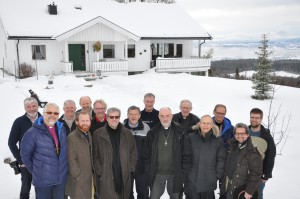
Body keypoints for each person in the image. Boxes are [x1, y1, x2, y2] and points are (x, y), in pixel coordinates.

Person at [21, 103, 68, 199]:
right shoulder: (32, 133)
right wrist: (37, 172)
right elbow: (25, 156)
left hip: (60, 180)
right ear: (43, 113)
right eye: (49, 112)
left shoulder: (62, 129)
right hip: (43, 182)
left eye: (56, 113)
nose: (52, 115)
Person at [143, 107, 189, 199]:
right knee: (153, 197)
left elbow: (186, 154)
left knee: (175, 197)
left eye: (167, 116)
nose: (165, 118)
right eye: (162, 116)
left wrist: (183, 172)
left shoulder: (180, 132)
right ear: (158, 117)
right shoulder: (152, 133)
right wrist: (149, 170)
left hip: (175, 174)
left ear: (171, 116)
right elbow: (146, 155)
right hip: (157, 174)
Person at [93, 107, 137, 199]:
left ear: (119, 118)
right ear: (107, 118)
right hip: (106, 175)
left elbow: (133, 152)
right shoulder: (98, 134)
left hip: (123, 174)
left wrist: (130, 168)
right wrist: (100, 171)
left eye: (116, 117)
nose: (114, 119)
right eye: (111, 117)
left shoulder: (127, 133)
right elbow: (95, 155)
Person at [185, 115, 226, 199]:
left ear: (212, 125)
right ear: (199, 124)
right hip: (192, 179)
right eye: (203, 123)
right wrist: (187, 173)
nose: (205, 125)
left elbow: (221, 159)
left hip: (209, 180)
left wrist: (217, 175)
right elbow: (185, 156)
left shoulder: (218, 140)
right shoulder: (191, 137)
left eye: (208, 123)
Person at [8, 97, 41, 199]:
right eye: (28, 107)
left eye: (34, 106)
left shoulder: (45, 120)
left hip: (42, 161)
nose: (31, 109)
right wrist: (21, 160)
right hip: (26, 162)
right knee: (25, 188)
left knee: (41, 188)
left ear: (38, 106)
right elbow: (11, 143)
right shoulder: (19, 121)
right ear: (25, 108)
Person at [223, 123, 263, 199]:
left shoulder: (253, 152)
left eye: (242, 133)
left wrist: (249, 191)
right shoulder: (231, 147)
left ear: (247, 134)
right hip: (230, 188)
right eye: (237, 133)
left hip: (243, 190)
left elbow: (256, 174)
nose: (239, 135)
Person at [124, 106, 150, 199]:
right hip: (126, 167)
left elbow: (149, 148)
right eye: (131, 114)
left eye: (135, 114)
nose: (133, 116)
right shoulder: (122, 128)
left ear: (139, 115)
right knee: (127, 193)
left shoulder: (146, 128)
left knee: (143, 194)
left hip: (141, 167)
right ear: (127, 115)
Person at [249, 108, 276, 199]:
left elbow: (270, 156)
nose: (254, 119)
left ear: (261, 119)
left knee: (257, 195)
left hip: (259, 174)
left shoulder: (266, 136)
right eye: (252, 117)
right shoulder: (245, 132)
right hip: (244, 172)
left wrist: (266, 174)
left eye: (257, 118)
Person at [65, 111, 93, 199]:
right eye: (82, 121)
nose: (85, 123)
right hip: (78, 181)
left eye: (87, 120)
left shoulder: (88, 134)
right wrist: (78, 176)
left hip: (88, 178)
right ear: (77, 122)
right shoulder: (72, 137)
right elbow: (71, 160)